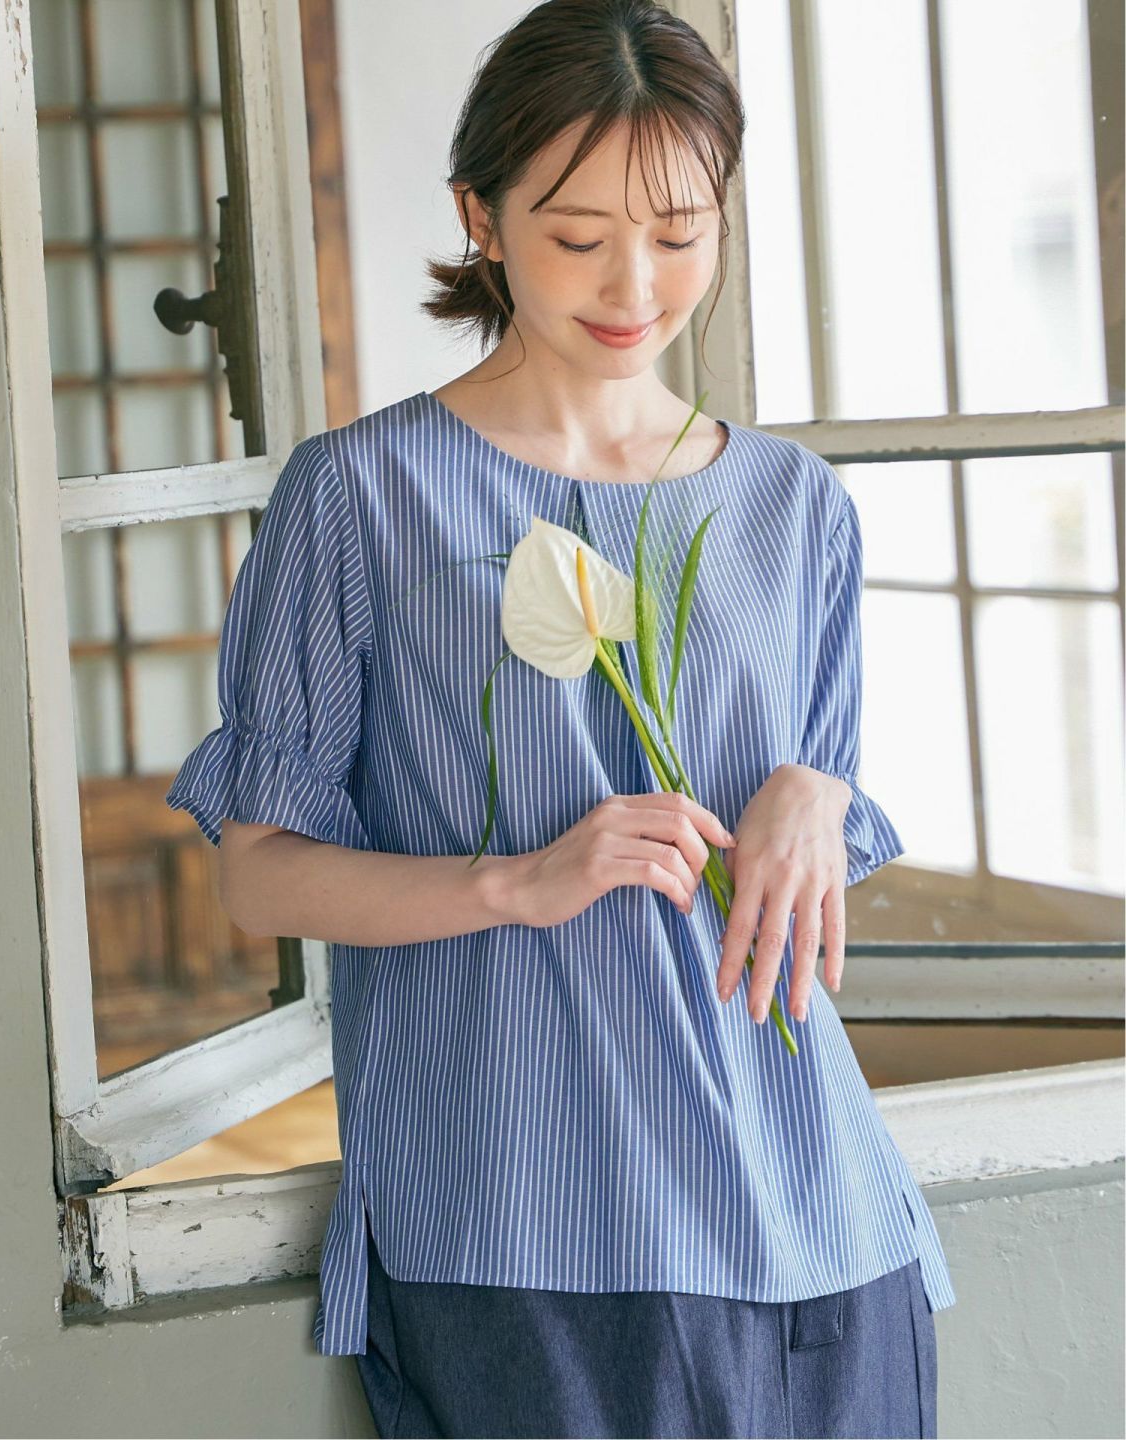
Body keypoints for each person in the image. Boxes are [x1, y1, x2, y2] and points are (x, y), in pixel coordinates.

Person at [166, 1, 957, 1434]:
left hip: (815, 1220)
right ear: (480, 218)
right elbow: (258, 872)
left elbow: (803, 836)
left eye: (679, 231)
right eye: (578, 234)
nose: (634, 285)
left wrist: (818, 791)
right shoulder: (361, 498)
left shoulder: (794, 508)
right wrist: (519, 881)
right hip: (522, 1220)